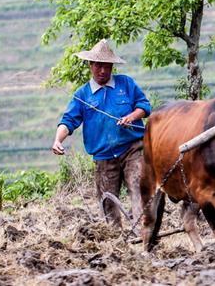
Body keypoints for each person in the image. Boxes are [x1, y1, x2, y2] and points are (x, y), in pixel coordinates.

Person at [51, 39, 151, 227]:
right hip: (104, 157)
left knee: (138, 187)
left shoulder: (126, 84)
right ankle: (116, 243)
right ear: (91, 65)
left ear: (112, 66)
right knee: (108, 202)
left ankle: (143, 232)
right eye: (98, 66)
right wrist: (58, 139)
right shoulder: (82, 95)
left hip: (132, 149)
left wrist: (131, 117)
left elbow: (144, 106)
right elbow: (68, 121)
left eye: (106, 66)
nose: (103, 71)